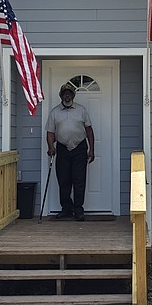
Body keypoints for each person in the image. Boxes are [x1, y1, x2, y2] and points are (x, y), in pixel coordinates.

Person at [45, 82, 95, 220]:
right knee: (64, 180)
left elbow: (89, 130)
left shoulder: (81, 110)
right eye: (64, 93)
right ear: (61, 96)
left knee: (79, 180)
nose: (67, 95)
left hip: (79, 148)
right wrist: (51, 147)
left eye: (69, 93)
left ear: (73, 95)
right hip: (62, 149)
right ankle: (66, 209)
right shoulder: (54, 112)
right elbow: (50, 133)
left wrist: (92, 149)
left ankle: (78, 210)